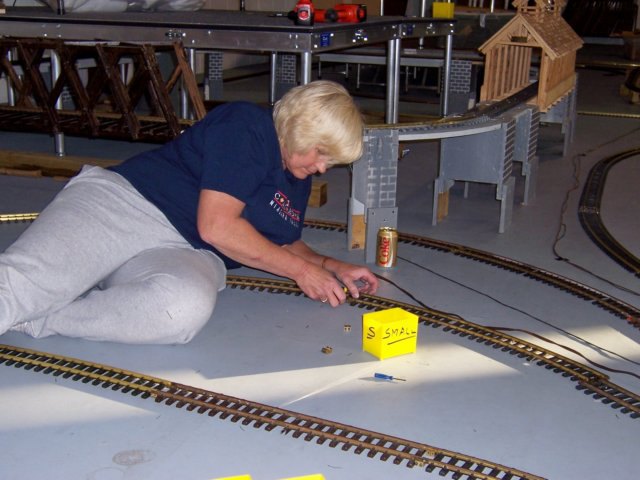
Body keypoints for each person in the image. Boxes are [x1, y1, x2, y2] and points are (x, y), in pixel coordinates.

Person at [0, 80, 379, 344]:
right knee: (21, 285)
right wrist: (301, 272)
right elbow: (217, 226)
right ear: (301, 127)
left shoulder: (296, 176)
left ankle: (40, 318)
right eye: (322, 153)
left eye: (331, 161)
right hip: (125, 206)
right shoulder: (247, 125)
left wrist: (330, 265)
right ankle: (32, 300)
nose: (323, 168)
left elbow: (284, 242)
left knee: (180, 310)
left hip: (188, 250)